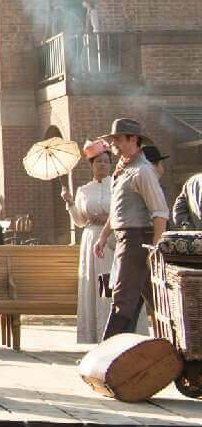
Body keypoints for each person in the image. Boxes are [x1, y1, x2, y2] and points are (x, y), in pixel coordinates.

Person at [84, 117, 170, 339]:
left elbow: (160, 213)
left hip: (137, 240)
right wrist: (103, 236)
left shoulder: (143, 171)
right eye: (112, 140)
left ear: (133, 140)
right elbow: (118, 210)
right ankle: (144, 350)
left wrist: (154, 250)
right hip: (127, 239)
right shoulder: (124, 170)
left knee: (123, 300)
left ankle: (109, 352)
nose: (114, 144)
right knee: (148, 299)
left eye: (118, 139)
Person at [64, 151, 116, 343]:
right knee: (94, 284)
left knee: (108, 282)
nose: (103, 165)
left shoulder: (117, 186)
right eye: (99, 161)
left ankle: (112, 329)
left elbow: (123, 212)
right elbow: (79, 221)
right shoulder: (84, 190)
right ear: (92, 165)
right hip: (91, 239)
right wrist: (70, 203)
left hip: (112, 240)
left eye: (106, 161)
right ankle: (95, 332)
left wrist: (108, 219)